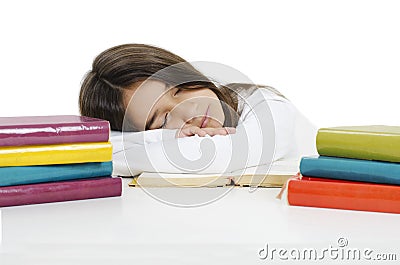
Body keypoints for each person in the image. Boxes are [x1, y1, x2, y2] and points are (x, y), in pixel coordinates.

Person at [79, 44, 317, 176]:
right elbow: (100, 149)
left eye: (179, 90)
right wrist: (167, 136)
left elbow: (214, 156)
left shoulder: (264, 102)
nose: (187, 110)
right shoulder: (159, 140)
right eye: (162, 120)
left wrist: (163, 137)